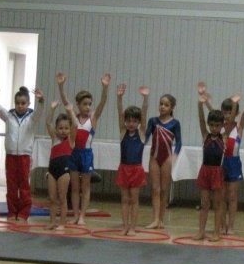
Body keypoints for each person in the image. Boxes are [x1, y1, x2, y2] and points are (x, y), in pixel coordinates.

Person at [200, 82, 244, 235]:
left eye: (229, 112)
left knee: (232, 196)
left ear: (234, 113)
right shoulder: (220, 129)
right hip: (220, 164)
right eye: (224, 112)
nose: (226, 115)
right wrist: (205, 101)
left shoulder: (238, 128)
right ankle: (221, 224)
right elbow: (213, 113)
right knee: (221, 197)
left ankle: (231, 226)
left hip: (233, 163)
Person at [56, 72, 110, 225]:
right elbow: (66, 102)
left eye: (89, 104)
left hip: (86, 155)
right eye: (85, 104)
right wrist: (61, 86)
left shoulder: (93, 118)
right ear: (78, 105)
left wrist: (105, 88)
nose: (88, 107)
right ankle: (75, 215)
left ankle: (82, 217)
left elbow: (103, 103)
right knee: (74, 187)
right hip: (74, 154)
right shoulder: (74, 117)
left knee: (85, 187)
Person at [0, 86, 45, 222]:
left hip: (25, 156)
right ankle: (12, 212)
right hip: (11, 156)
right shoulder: (9, 116)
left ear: (28, 103)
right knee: (11, 185)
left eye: (23, 103)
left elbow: (39, 112)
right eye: (17, 103)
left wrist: (41, 100)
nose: (20, 106)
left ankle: (23, 213)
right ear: (14, 103)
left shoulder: (31, 118)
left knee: (24, 186)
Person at [115, 84, 150, 236]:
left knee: (134, 200)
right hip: (124, 168)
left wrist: (145, 98)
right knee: (124, 199)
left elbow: (144, 114)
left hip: (136, 169)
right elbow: (119, 113)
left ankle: (133, 227)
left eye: (134, 121)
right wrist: (119, 98)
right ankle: (125, 226)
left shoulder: (141, 133)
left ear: (138, 122)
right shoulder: (123, 132)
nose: (131, 124)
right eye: (128, 121)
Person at [144, 92, 182, 230]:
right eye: (161, 104)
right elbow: (145, 137)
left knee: (164, 189)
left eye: (166, 105)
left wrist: (175, 155)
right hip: (154, 158)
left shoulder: (175, 123)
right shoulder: (153, 121)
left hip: (166, 158)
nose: (162, 107)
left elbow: (179, 142)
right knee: (155, 189)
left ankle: (161, 219)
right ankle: (155, 219)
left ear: (172, 108)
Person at [195, 88, 225, 241]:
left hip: (217, 172)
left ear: (221, 126)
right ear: (208, 125)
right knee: (204, 203)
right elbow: (201, 120)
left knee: (217, 204)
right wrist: (200, 104)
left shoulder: (223, 137)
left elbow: (228, 121)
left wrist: (233, 105)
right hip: (205, 171)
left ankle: (216, 232)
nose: (214, 128)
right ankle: (201, 231)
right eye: (211, 125)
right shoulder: (205, 135)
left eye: (217, 125)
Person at [45, 100, 77, 231]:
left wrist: (70, 111)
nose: (63, 131)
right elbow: (48, 122)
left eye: (66, 128)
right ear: (56, 129)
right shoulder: (54, 138)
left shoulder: (71, 140)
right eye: (60, 128)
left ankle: (62, 223)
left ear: (69, 129)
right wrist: (52, 109)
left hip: (64, 172)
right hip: (52, 171)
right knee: (52, 198)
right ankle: (53, 222)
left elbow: (75, 124)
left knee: (62, 198)